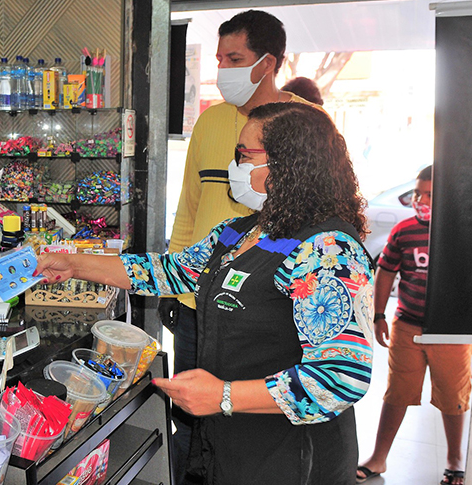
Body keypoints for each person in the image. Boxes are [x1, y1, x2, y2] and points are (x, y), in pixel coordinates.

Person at [38, 102, 374, 484]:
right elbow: (169, 272)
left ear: (288, 164)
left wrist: (225, 395)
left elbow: (342, 375)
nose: (235, 166)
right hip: (228, 442)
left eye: (245, 155)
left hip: (292, 454)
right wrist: (73, 263)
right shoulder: (238, 232)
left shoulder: (328, 251)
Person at [161, 10, 321, 479]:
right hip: (198, 297)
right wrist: (175, 288)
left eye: (235, 58)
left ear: (268, 62)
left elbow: (320, 212)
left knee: (246, 414)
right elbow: (189, 209)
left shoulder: (305, 123)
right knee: (191, 411)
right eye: (218, 58)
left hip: (264, 307)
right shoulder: (210, 124)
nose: (222, 69)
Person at [356, 166, 470, 485]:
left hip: (450, 332)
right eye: (418, 193)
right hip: (407, 326)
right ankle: (378, 459)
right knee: (397, 393)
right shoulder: (404, 231)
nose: (421, 200)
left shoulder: (462, 231)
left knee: (453, 398)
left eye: (430, 195)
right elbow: (386, 272)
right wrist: (379, 314)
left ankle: (454, 461)